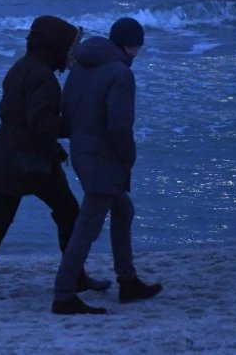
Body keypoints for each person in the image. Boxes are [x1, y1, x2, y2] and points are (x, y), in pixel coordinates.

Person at [0, 15, 110, 302]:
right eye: (67, 47)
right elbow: (40, 124)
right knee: (68, 214)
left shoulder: (22, 67)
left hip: (9, 155)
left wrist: (54, 147)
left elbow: (19, 116)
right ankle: (75, 276)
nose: (70, 55)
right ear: (52, 47)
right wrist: (77, 126)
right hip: (28, 162)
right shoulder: (43, 78)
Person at [51, 17, 163, 314]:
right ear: (130, 45)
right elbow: (120, 127)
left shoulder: (81, 66)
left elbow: (66, 109)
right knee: (87, 226)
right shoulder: (120, 74)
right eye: (137, 46)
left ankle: (128, 281)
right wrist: (128, 157)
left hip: (82, 153)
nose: (138, 52)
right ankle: (63, 294)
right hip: (104, 158)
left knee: (123, 210)